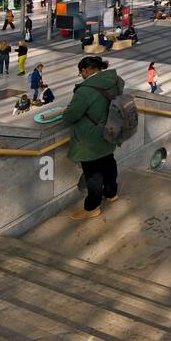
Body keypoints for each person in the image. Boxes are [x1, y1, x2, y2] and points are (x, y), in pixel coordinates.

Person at [60, 57, 126, 220]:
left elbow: (70, 116)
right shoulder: (115, 80)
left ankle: (92, 207)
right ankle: (112, 193)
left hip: (91, 138)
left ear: (87, 70)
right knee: (109, 162)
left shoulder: (85, 90)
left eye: (81, 72)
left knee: (93, 173)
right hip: (110, 130)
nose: (81, 75)